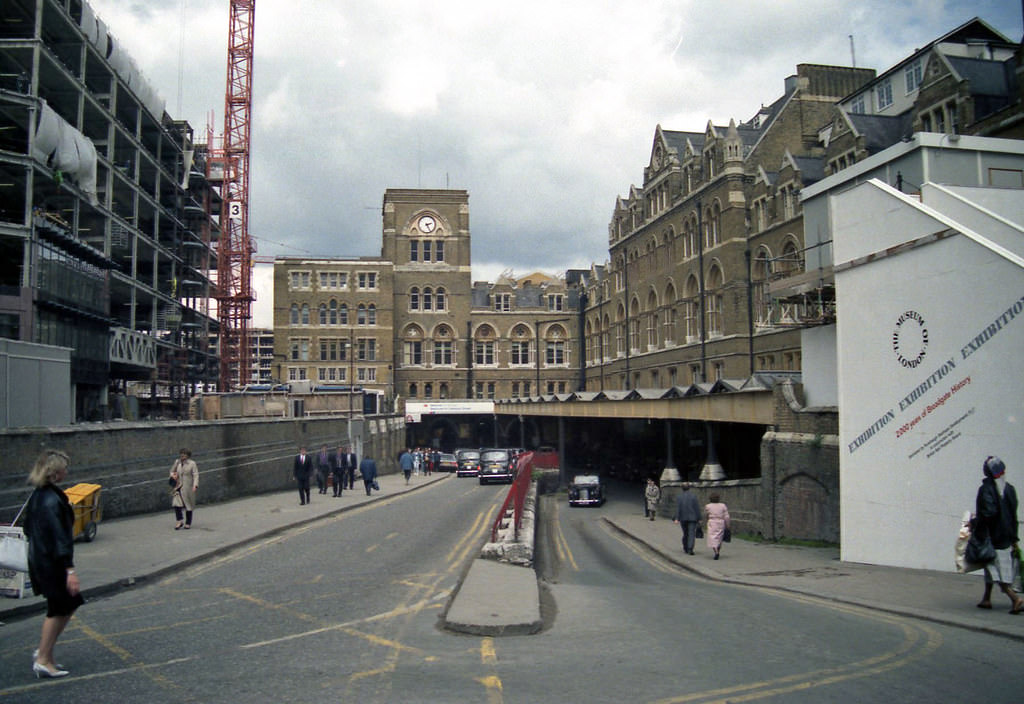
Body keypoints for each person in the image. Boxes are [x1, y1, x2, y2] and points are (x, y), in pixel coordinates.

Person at [24, 449, 82, 679]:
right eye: (64, 469)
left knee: (69, 603)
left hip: (42, 560)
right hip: (52, 563)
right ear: (55, 473)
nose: (66, 472)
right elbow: (59, 537)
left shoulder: (40, 495)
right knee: (58, 608)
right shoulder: (50, 499)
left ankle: (45, 652)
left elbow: (29, 529)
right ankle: (42, 658)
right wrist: (70, 570)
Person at [974, 456, 1023, 614]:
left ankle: (1015, 598)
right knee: (990, 566)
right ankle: (986, 598)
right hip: (1006, 537)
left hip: (992, 536)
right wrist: (1014, 538)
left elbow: (988, 513)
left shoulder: (986, 489)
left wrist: (975, 524)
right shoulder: (1009, 488)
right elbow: (1013, 515)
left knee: (997, 569)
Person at [169, 448, 199, 530]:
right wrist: (173, 475)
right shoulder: (177, 462)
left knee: (188, 505)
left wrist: (195, 485)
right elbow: (172, 471)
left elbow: (195, 474)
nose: (182, 455)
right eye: (181, 453)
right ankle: (179, 521)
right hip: (178, 487)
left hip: (188, 487)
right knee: (176, 504)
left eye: (184, 454)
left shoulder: (192, 463)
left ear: (188, 455)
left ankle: (188, 523)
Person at [673, 482, 701, 555]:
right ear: (689, 488)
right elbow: (697, 508)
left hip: (683, 518)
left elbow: (678, 508)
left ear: (682, 488)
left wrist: (677, 518)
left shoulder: (679, 497)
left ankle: (685, 547)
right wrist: (699, 518)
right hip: (693, 518)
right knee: (691, 533)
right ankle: (690, 548)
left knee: (685, 533)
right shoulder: (693, 496)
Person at [704, 493, 731, 560]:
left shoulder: (708, 506)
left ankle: (716, 551)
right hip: (721, 522)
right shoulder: (723, 505)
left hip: (712, 522)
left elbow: (706, 515)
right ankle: (718, 550)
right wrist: (728, 525)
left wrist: (706, 521)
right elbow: (727, 516)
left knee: (712, 538)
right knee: (719, 537)